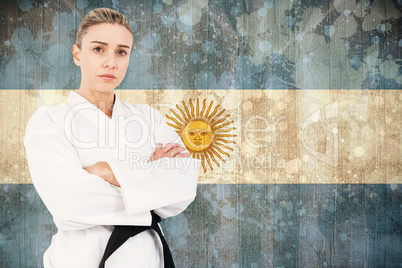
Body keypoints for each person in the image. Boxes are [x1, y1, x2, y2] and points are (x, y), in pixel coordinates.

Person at [24, 8, 200, 268]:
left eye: (121, 51)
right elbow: (70, 206)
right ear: (77, 55)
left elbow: (183, 186)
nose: (111, 62)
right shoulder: (48, 121)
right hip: (81, 260)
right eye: (98, 49)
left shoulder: (148, 117)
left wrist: (104, 171)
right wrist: (150, 180)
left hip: (150, 258)